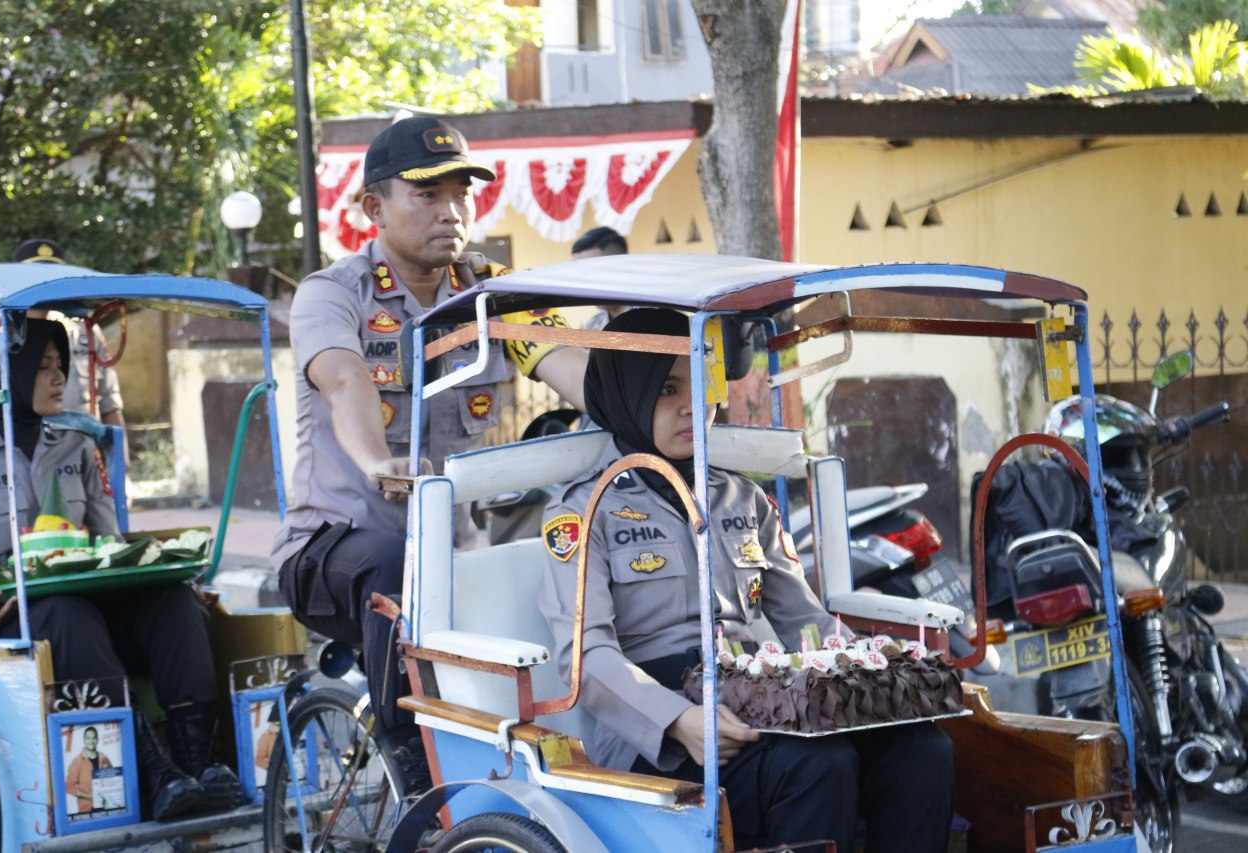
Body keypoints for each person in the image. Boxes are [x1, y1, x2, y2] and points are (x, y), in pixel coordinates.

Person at [538, 309, 954, 853]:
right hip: (657, 728)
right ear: (625, 395)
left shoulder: (741, 499)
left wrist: (872, 674)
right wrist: (678, 720)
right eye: (666, 388)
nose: (692, 405)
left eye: (699, 382)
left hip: (757, 698)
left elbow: (802, 617)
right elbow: (585, 655)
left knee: (923, 749)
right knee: (817, 764)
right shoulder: (582, 511)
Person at [271, 115, 587, 743]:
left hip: (451, 553)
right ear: (374, 208)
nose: (451, 212)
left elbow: (568, 363)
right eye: (427, 194)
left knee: (558, 573)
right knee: (398, 568)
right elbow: (345, 380)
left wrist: (644, 417)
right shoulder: (332, 294)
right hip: (331, 550)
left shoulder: (493, 295)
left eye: (461, 194)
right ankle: (415, 767)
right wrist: (374, 460)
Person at [0, 319, 239, 820]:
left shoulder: (76, 443)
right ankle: (153, 773)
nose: (58, 380)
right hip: (12, 618)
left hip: (91, 609)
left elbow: (111, 546)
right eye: (41, 368)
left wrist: (162, 575)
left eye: (60, 367)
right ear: (1, 374)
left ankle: (201, 768)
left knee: (175, 604)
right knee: (67, 614)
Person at [11, 239, 127, 430]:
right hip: (22, 453)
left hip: (83, 451)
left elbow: (110, 405)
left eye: (53, 277)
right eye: (36, 276)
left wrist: (121, 457)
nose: (44, 284)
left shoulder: (86, 331)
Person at [570, 226, 630, 332]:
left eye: (591, 273)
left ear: (621, 268)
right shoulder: (593, 326)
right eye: (579, 275)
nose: (584, 283)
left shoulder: (658, 319)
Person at [66, 726, 114, 813]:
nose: (91, 741)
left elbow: (113, 778)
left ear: (97, 740)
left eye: (94, 738)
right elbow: (69, 787)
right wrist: (89, 796)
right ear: (84, 740)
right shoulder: (77, 762)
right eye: (88, 738)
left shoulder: (104, 758)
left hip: (106, 806)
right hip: (87, 809)